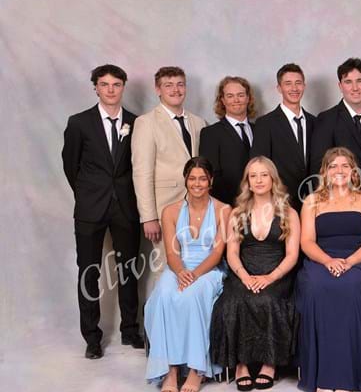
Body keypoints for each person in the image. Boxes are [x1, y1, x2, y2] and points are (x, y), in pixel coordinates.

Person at [295, 147, 361, 392]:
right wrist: (328, 261)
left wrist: (348, 262)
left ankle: (348, 376)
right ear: (324, 172)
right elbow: (307, 242)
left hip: (358, 260)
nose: (339, 170)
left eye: (345, 166)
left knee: (352, 286)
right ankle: (324, 376)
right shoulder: (312, 201)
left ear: (354, 171)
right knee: (318, 286)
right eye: (333, 166)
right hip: (320, 260)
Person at [62, 64, 143, 358]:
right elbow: (71, 165)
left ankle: (130, 330)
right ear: (95, 87)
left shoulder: (136, 122)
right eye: (105, 84)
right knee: (89, 272)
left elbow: (138, 164)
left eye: (116, 84)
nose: (110, 89)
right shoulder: (79, 123)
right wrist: (88, 195)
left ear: (123, 87)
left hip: (126, 207)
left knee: (128, 270)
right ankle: (92, 338)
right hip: (90, 208)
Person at [210, 157, 300, 391]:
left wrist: (270, 277)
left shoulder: (289, 213)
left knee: (268, 299)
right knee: (235, 300)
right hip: (244, 272)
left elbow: (292, 255)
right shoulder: (237, 213)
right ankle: (241, 364)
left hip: (277, 274)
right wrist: (244, 276)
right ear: (247, 182)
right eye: (253, 176)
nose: (258, 180)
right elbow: (232, 253)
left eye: (264, 175)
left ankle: (269, 363)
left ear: (273, 179)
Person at [144, 157, 231, 392]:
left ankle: (196, 368)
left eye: (202, 179)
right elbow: (172, 252)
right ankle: (170, 369)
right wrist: (181, 272)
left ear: (211, 181)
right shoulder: (170, 211)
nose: (197, 183)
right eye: (192, 178)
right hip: (179, 267)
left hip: (209, 270)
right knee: (163, 295)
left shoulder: (224, 210)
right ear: (185, 180)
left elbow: (217, 253)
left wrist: (194, 275)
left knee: (192, 296)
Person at [132, 66, 207, 268]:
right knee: (167, 266)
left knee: (195, 264)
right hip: (164, 207)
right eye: (168, 85)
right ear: (158, 89)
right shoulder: (146, 123)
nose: (176, 90)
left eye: (180, 84)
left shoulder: (199, 122)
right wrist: (149, 217)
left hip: (198, 206)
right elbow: (142, 173)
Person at [311, 58, 361, 204]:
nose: (355, 88)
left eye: (359, 81)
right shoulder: (327, 119)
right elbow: (318, 166)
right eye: (348, 82)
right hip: (342, 201)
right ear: (340, 86)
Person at [252, 63, 315, 211]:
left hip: (313, 201)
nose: (294, 88)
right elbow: (259, 165)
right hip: (280, 202)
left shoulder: (315, 122)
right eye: (288, 83)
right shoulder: (265, 124)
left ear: (304, 86)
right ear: (279, 88)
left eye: (298, 83)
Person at [199, 76, 257, 205]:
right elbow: (211, 176)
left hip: (260, 204)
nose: (236, 100)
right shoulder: (210, 133)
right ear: (223, 100)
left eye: (240, 95)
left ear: (248, 98)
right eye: (230, 96)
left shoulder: (260, 130)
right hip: (228, 205)